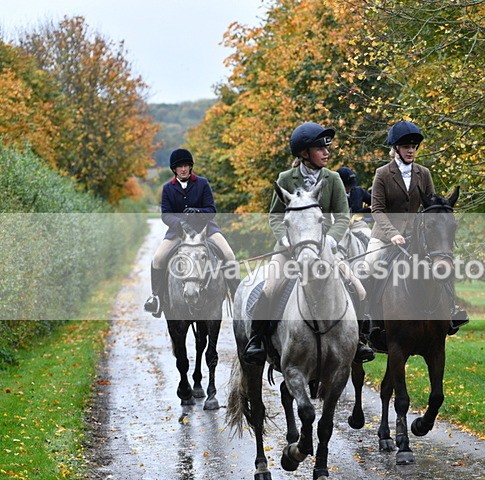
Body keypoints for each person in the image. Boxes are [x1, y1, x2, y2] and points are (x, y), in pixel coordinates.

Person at [242, 122, 375, 365]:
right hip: (288, 251)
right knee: (269, 289)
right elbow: (275, 216)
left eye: (327, 148)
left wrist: (332, 240)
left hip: (324, 250)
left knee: (358, 288)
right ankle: (257, 340)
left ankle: (358, 341)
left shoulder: (333, 179)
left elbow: (343, 216)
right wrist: (285, 240)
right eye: (320, 148)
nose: (326, 153)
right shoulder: (285, 179)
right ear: (304, 153)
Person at [365, 120, 468, 334]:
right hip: (384, 238)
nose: (411, 150)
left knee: (442, 263)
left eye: (413, 146)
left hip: (416, 237)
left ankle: (452, 309)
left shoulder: (424, 173)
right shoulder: (382, 173)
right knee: (370, 265)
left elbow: (429, 205)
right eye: (406, 147)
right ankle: (368, 319)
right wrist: (392, 234)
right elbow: (377, 209)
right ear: (395, 149)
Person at [143, 148, 239, 317]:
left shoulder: (202, 183)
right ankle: (156, 297)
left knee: (229, 254)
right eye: (180, 166)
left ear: (191, 166)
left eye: (186, 165)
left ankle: (237, 296)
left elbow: (212, 210)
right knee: (158, 258)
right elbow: (165, 214)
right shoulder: (168, 188)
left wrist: (199, 212)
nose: (184, 169)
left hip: (206, 229)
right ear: (174, 169)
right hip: (178, 232)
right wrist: (178, 223)